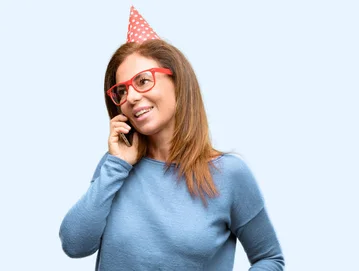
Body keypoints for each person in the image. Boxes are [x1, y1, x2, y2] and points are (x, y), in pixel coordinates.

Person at [59, 6, 284, 270]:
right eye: (121, 91)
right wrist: (115, 166)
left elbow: (269, 258)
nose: (130, 98)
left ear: (178, 82)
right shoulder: (116, 168)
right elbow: (74, 245)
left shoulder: (229, 174)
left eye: (143, 81)